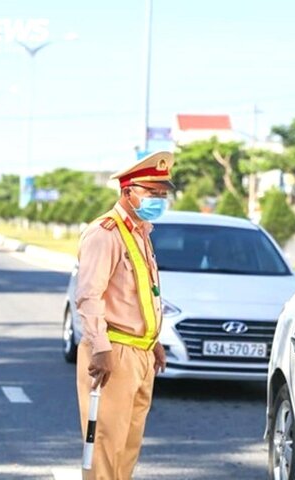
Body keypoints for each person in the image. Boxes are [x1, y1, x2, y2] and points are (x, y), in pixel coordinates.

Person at [75, 151, 174, 479]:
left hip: (140, 352)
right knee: (105, 444)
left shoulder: (142, 232)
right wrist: (100, 347)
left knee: (128, 446)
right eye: (151, 193)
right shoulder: (106, 233)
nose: (158, 200)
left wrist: (153, 341)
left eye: (162, 194)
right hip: (113, 352)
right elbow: (89, 296)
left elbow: (141, 295)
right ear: (127, 191)